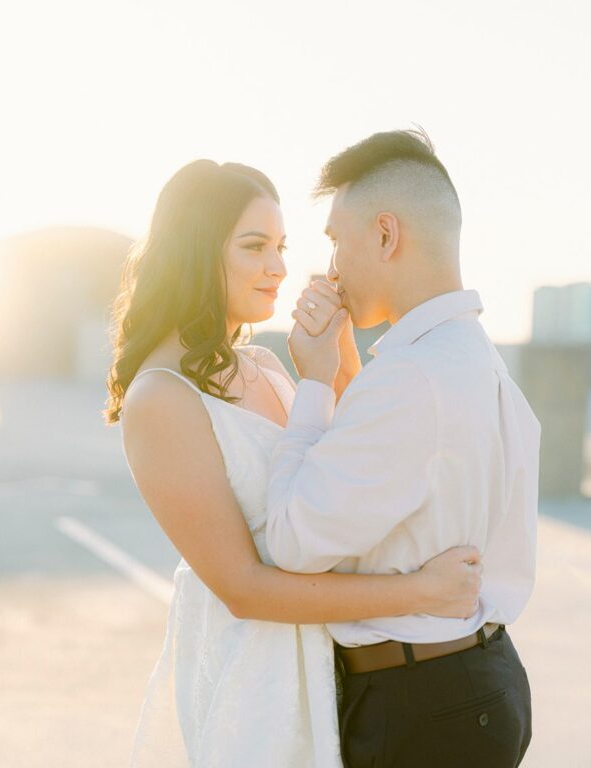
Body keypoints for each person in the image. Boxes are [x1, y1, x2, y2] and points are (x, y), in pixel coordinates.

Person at [103, 159, 485, 767]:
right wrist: (419, 591)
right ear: (196, 251)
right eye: (254, 247)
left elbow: (355, 466)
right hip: (254, 687)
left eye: (281, 246)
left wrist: (338, 355)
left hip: (336, 670)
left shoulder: (270, 367)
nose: (278, 267)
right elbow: (243, 589)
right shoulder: (161, 397)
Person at [266, 129, 541, 767]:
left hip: (419, 704)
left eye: (336, 240)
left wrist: (311, 382)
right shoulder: (473, 357)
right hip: (474, 680)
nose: (330, 268)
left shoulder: (413, 375)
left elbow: (291, 540)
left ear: (386, 235)